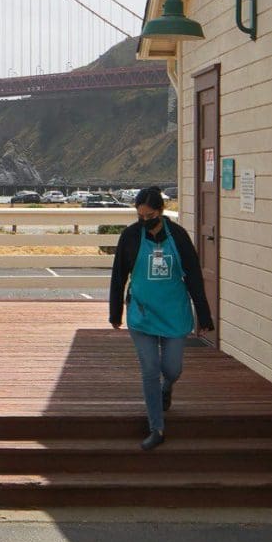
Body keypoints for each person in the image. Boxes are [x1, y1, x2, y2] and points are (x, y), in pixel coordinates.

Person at [107, 187, 213, 451]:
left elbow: (194, 277)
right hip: (141, 313)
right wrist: (114, 312)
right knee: (150, 370)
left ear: (161, 211)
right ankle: (157, 427)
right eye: (140, 215)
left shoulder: (178, 236)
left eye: (150, 215)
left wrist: (204, 314)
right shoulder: (131, 236)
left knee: (172, 368)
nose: (145, 220)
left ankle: (168, 388)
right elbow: (119, 275)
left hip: (174, 312)